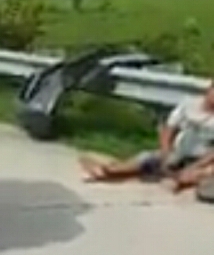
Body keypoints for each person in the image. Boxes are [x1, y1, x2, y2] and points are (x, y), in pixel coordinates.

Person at [80, 79, 214, 192]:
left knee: (204, 172)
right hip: (178, 151)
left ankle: (177, 179)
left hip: (202, 158)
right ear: (209, 90)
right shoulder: (188, 104)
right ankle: (108, 170)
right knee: (146, 159)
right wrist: (165, 153)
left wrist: (197, 165)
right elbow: (169, 129)